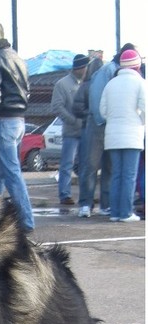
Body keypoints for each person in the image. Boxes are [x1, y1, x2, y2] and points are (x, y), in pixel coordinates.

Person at [0, 20, 35, 233]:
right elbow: (26, 88)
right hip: (18, 119)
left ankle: (26, 221)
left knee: (10, 172)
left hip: (2, 119)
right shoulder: (17, 57)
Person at [78, 43, 137, 218]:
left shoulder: (116, 72)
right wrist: (103, 119)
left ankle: (106, 204)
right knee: (91, 165)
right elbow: (97, 97)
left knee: (109, 167)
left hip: (110, 125)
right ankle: (85, 204)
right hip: (99, 125)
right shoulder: (108, 70)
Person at [99, 48, 146, 222]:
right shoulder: (140, 83)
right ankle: (126, 212)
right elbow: (145, 109)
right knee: (129, 175)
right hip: (132, 136)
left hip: (112, 136)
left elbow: (102, 111)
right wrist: (140, 121)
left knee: (117, 174)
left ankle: (115, 212)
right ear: (137, 66)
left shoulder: (111, 84)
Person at [51, 53, 89, 205]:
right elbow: (57, 107)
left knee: (85, 165)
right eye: (86, 67)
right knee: (67, 164)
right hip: (71, 133)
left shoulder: (87, 83)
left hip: (86, 131)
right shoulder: (62, 84)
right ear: (80, 68)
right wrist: (73, 121)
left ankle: (86, 196)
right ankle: (65, 195)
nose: (87, 70)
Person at [73, 57, 105, 217]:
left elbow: (77, 107)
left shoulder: (85, 85)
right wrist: (91, 115)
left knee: (89, 168)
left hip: (90, 129)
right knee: (92, 168)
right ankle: (89, 203)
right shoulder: (89, 86)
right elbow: (77, 108)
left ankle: (86, 204)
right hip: (90, 129)